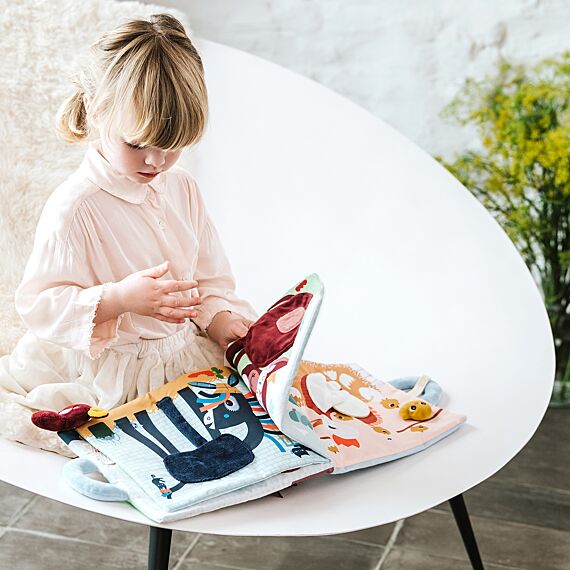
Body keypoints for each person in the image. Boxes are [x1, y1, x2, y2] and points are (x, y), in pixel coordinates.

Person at [0, 13, 259, 458]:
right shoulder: (75, 207)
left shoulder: (181, 188)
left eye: (171, 145)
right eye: (137, 144)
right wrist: (119, 299)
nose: (155, 162)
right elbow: (40, 305)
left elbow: (209, 277)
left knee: (247, 423)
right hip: (112, 365)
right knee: (136, 444)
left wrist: (217, 317)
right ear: (96, 111)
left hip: (179, 352)